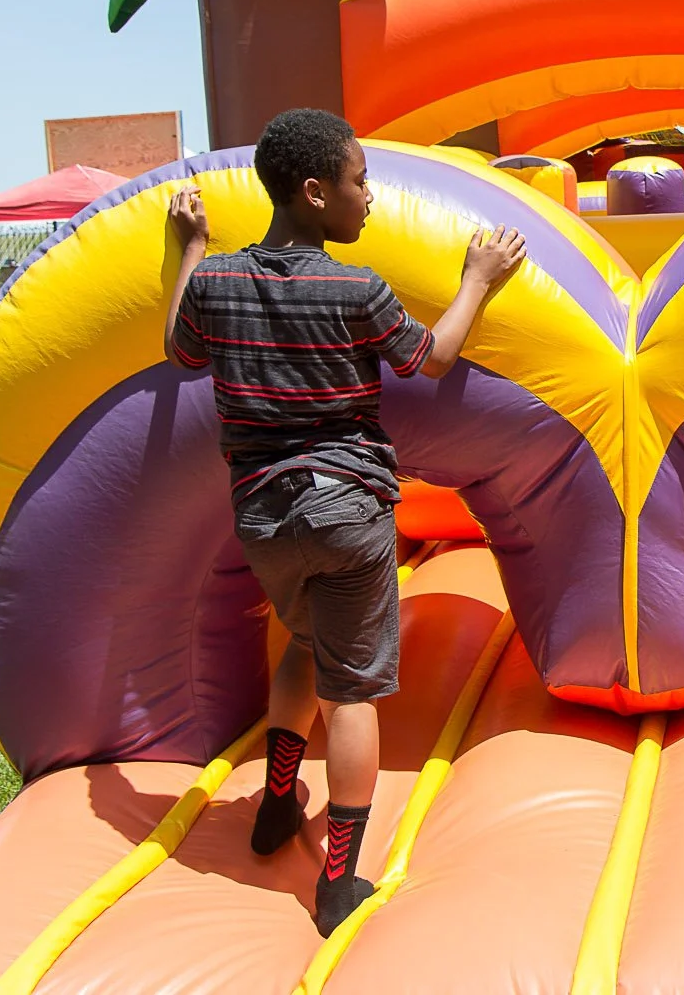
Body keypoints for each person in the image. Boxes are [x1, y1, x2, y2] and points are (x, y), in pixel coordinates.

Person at [161, 109, 525, 936]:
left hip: (263, 514)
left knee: (303, 644)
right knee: (352, 692)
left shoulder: (217, 283)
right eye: (361, 182)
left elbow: (180, 351)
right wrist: (478, 278)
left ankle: (278, 799)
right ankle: (337, 882)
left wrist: (186, 247)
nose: (371, 198)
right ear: (316, 191)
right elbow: (429, 359)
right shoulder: (354, 289)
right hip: (348, 506)